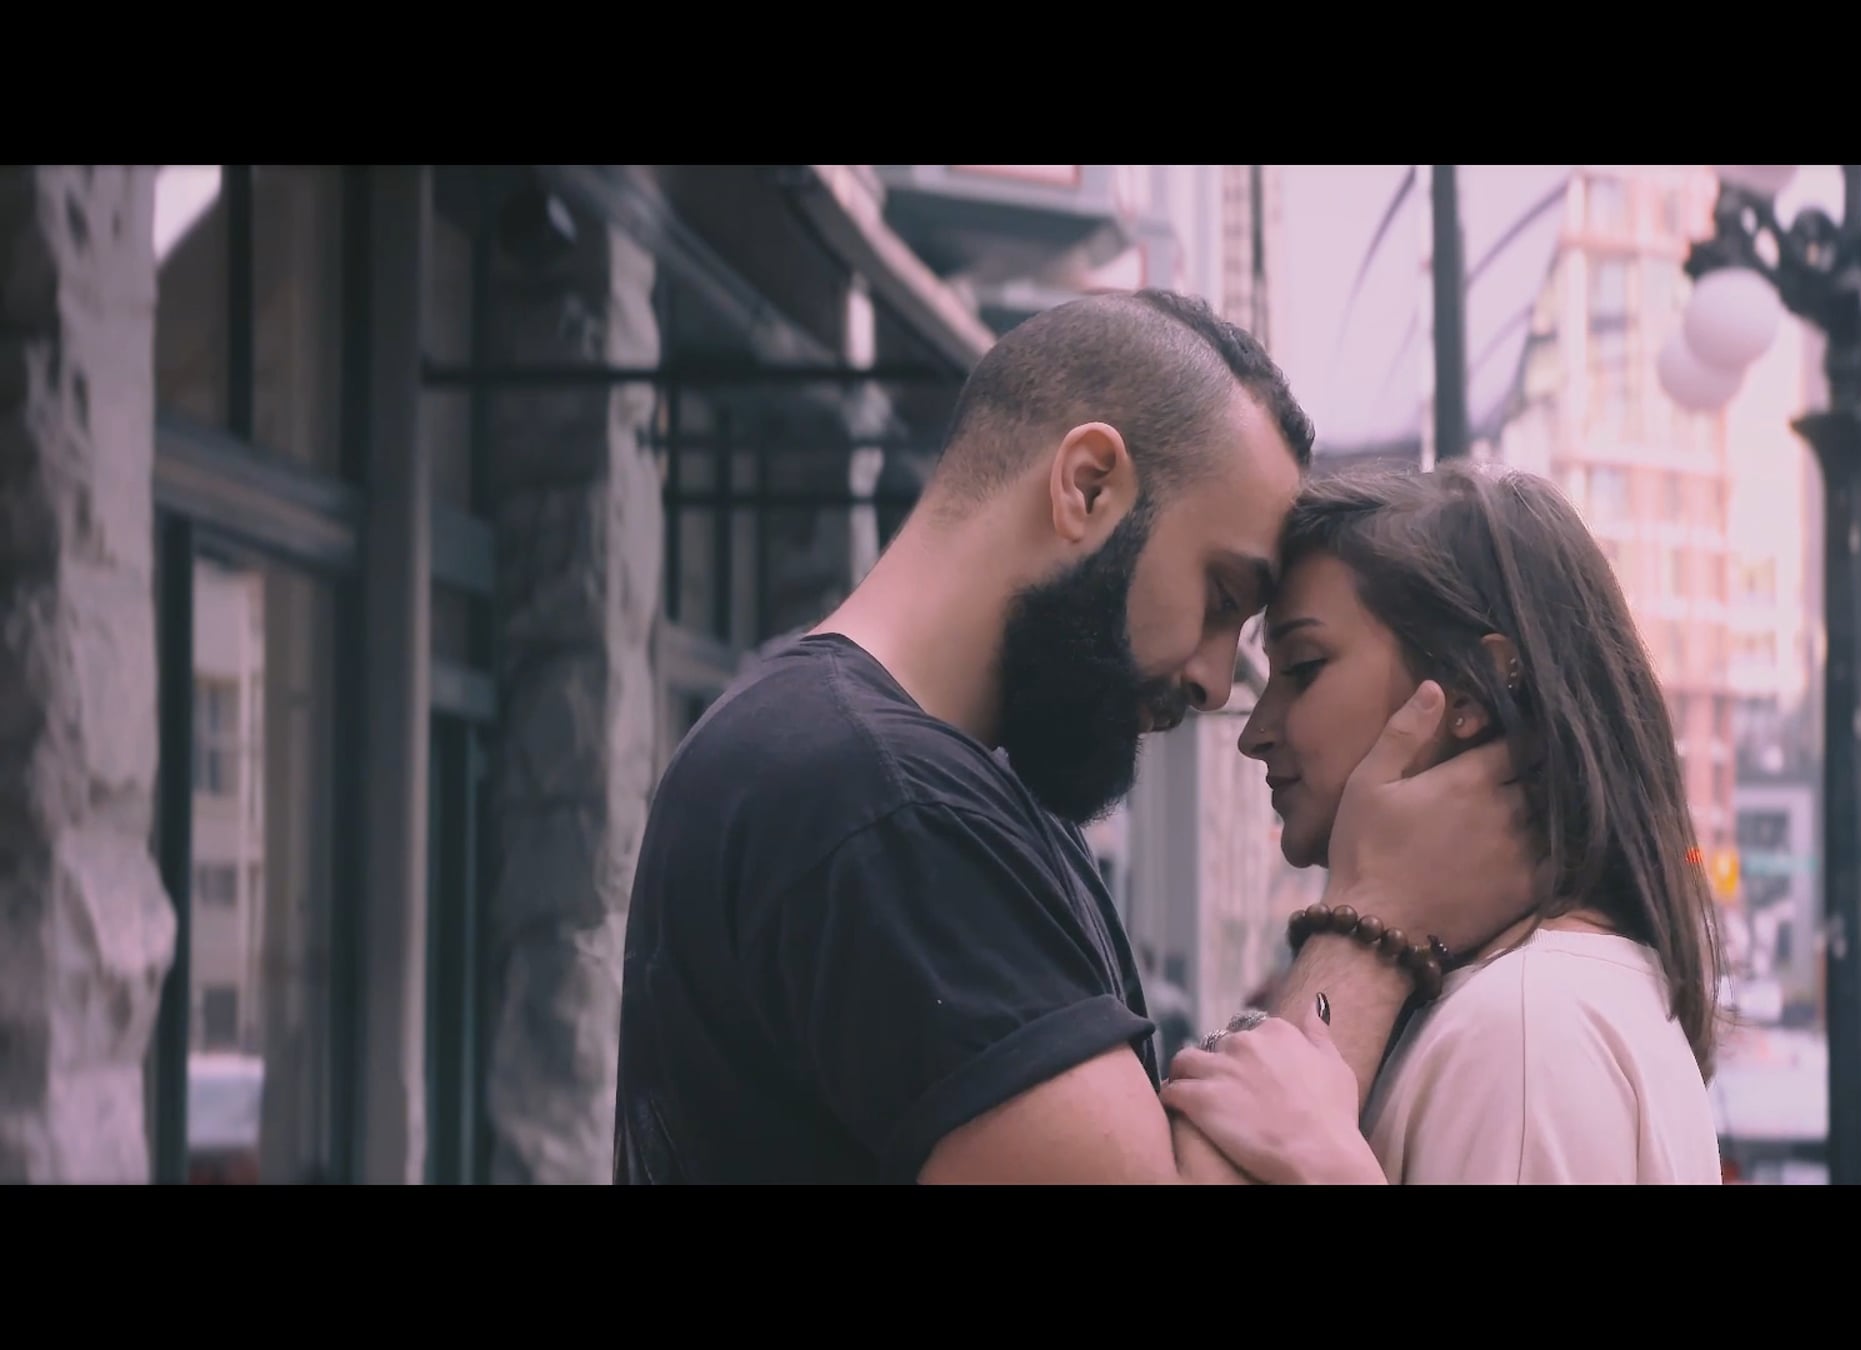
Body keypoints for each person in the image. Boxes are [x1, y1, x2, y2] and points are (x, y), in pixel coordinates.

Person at [610, 290, 1538, 1184]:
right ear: (1088, 486)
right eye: (1220, 598)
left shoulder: (887, 769)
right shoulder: (881, 800)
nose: (1216, 683)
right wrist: (1373, 915)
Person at [1161, 462, 1729, 1185]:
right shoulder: (1537, 1000)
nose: (1256, 732)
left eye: (1303, 667)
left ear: (1469, 690)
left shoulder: (1523, 1027)